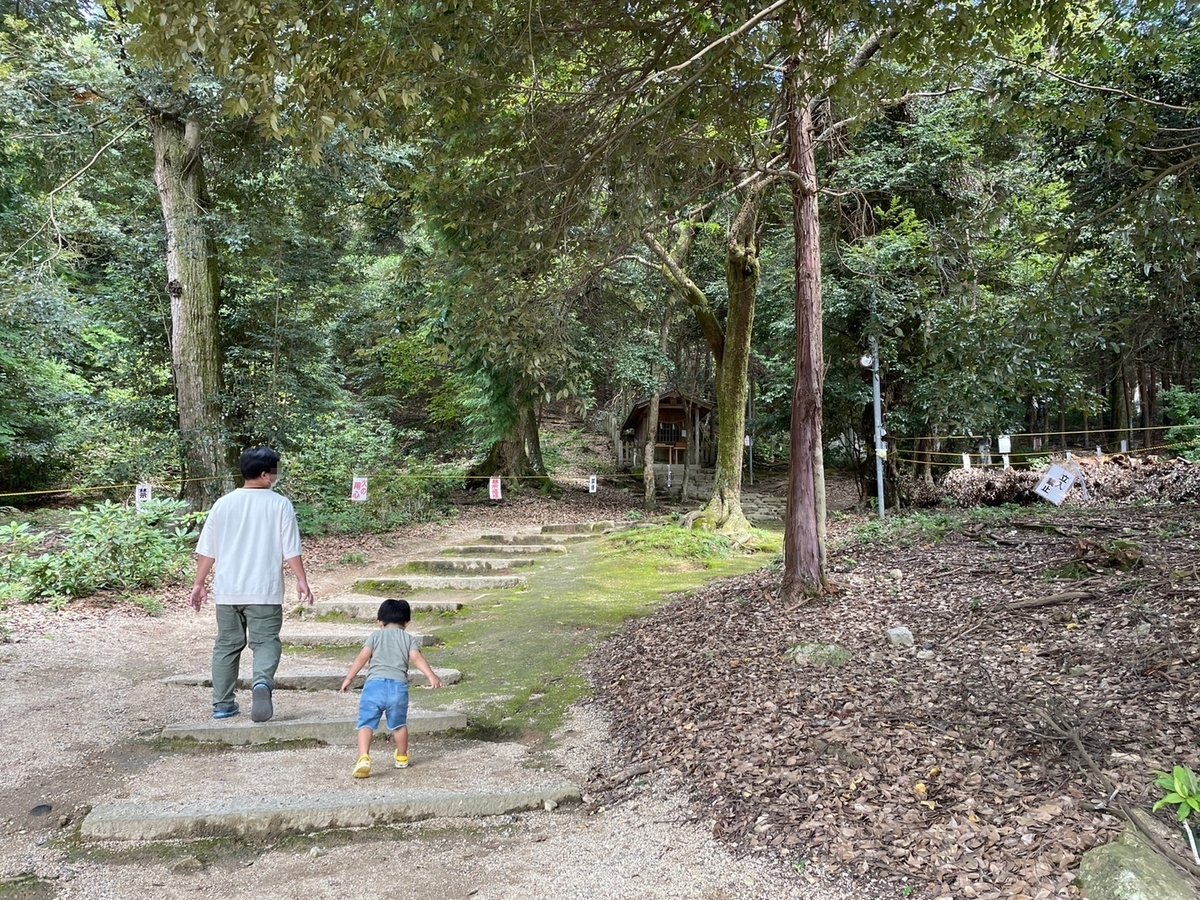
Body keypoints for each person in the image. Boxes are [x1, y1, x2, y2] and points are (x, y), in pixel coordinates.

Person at [189, 446, 314, 722]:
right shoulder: (280, 504)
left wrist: (199, 583)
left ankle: (223, 704)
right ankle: (261, 683)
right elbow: (291, 549)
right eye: (275, 471)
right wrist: (301, 580)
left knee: (226, 645)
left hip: (228, 590)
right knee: (266, 641)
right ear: (265, 474)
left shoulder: (223, 504)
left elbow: (207, 551)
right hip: (265, 590)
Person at [340, 598, 443, 778]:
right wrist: (431, 676)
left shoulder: (375, 636)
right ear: (407, 622)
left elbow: (362, 657)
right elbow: (417, 659)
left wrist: (349, 677)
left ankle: (364, 757)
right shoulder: (408, 639)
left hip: (374, 686)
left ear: (380, 622)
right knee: (399, 725)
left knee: (366, 723)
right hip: (398, 688)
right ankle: (402, 757)